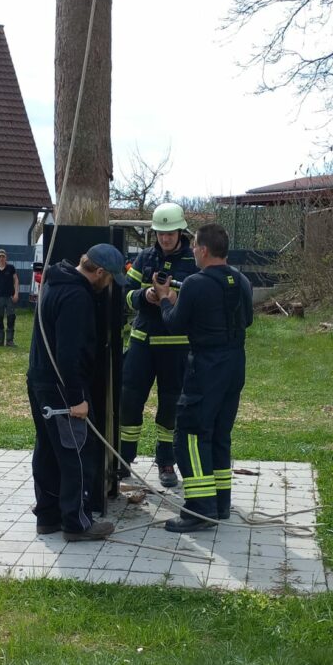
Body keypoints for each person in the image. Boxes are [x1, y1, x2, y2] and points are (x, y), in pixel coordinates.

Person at [152, 223, 253, 533]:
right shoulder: (243, 281)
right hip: (235, 364)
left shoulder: (196, 283)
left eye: (194, 246)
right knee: (220, 434)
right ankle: (220, 504)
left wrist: (166, 298)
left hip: (206, 366)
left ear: (204, 250)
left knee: (191, 435)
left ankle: (198, 509)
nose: (192, 250)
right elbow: (246, 319)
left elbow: (174, 324)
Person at [27, 243, 126, 541]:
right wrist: (76, 399)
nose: (109, 285)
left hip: (40, 381)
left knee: (47, 449)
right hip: (61, 388)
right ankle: (77, 523)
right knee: (78, 453)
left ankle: (48, 515)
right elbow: (70, 354)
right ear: (99, 272)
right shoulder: (77, 297)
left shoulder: (55, 283)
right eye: (109, 279)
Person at [120, 202, 197, 487]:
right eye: (160, 233)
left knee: (171, 406)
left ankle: (166, 461)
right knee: (129, 402)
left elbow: (197, 300)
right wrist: (145, 296)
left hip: (176, 348)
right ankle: (123, 459)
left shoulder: (192, 261)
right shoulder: (144, 258)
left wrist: (174, 299)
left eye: (170, 233)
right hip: (142, 344)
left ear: (180, 231)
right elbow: (125, 294)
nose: (165, 238)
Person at [0, 248, 19, 346]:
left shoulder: (11, 268)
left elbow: (16, 280)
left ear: (6, 258)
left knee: (11, 318)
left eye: (3, 256)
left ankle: (10, 341)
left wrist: (16, 294)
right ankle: (0, 341)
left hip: (10, 297)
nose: (1, 258)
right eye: (0, 256)